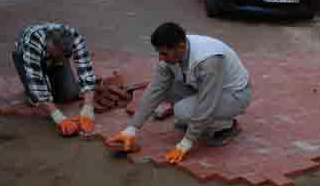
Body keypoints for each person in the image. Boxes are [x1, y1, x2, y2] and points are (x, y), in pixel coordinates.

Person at [108, 22, 252, 164]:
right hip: (205, 88)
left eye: (164, 53)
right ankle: (198, 123)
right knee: (166, 89)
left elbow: (207, 102)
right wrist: (132, 129)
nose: (161, 58)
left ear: (181, 47)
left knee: (182, 111)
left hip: (235, 95)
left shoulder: (209, 61)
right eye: (159, 53)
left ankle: (226, 126)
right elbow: (155, 90)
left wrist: (186, 143)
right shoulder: (174, 50)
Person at [12, 23, 97, 137]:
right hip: (25, 55)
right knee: (35, 99)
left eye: (63, 55)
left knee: (68, 95)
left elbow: (86, 70)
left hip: (55, 56)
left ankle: (54, 66)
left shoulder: (75, 39)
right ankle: (37, 79)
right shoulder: (33, 43)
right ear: (49, 44)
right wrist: (59, 118)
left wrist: (88, 106)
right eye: (55, 53)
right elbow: (37, 84)